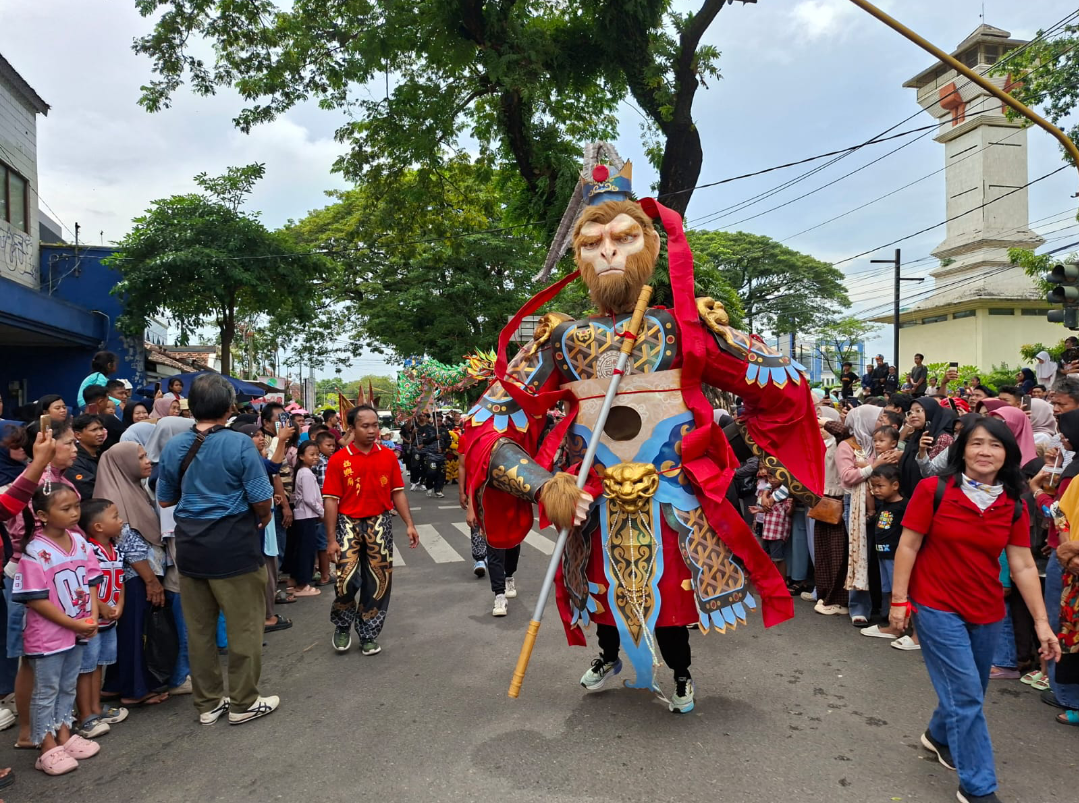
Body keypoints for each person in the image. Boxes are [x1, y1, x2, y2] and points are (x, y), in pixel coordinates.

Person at [461, 175, 826, 713]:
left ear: (651, 246)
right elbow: (483, 428)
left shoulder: (683, 328)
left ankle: (681, 673)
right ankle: (607, 657)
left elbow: (786, 386)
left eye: (624, 236)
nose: (608, 250)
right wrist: (544, 486)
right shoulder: (562, 340)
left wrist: (731, 446)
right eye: (592, 242)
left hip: (672, 500)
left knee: (672, 606)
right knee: (602, 597)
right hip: (594, 502)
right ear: (579, 257)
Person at [889, 417, 1060, 803]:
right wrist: (899, 601)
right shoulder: (934, 490)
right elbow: (908, 546)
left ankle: (938, 736)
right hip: (936, 605)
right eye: (976, 443)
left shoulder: (1013, 503)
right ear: (962, 450)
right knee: (966, 696)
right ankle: (978, 786)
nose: (985, 452)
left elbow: (1023, 565)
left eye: (995, 445)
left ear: (1008, 454)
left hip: (986, 609)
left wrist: (1042, 624)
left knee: (969, 690)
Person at [156, 373, 279, 726]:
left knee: (199, 631)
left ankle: (208, 703)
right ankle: (243, 702)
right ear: (229, 407)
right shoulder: (239, 444)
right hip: (234, 545)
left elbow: (165, 498)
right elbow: (261, 498)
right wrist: (263, 517)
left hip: (190, 547)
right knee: (245, 627)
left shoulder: (175, 446)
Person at [13, 485, 103, 776]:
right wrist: (75, 623)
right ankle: (45, 744)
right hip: (48, 636)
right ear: (42, 515)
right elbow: (36, 600)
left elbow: (91, 580)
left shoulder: (79, 541)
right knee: (46, 690)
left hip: (78, 629)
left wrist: (92, 616)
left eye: (76, 506)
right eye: (66, 509)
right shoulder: (35, 551)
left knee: (67, 684)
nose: (75, 513)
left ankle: (64, 733)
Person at [3, 420, 77, 750]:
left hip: (60, 576)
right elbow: (20, 532)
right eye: (68, 442)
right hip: (32, 579)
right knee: (32, 659)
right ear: (45, 444)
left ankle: (56, 727)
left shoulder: (58, 479)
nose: (74, 448)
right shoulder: (37, 484)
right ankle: (29, 732)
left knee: (58, 656)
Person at [323, 405, 420, 656]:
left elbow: (397, 493)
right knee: (345, 579)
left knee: (379, 581)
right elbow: (331, 501)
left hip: (379, 522)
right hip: (348, 522)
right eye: (365, 426)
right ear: (352, 428)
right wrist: (331, 539)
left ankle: (368, 633)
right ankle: (342, 624)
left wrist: (409, 524)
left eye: (375, 425)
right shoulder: (339, 460)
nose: (372, 430)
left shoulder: (388, 457)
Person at [96, 443, 169, 708]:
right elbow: (130, 547)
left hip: (133, 577)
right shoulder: (115, 499)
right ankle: (135, 690)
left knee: (130, 631)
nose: (147, 461)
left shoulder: (131, 488)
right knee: (135, 633)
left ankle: (115, 684)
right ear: (123, 464)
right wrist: (151, 581)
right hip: (133, 578)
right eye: (140, 458)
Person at [836, 405, 897, 626]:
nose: (881, 422)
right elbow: (847, 476)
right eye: (878, 418)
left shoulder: (881, 443)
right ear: (865, 421)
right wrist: (875, 465)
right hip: (856, 503)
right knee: (860, 553)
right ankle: (859, 607)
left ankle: (886, 607)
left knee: (883, 554)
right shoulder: (847, 446)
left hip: (885, 502)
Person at [74, 499, 126, 738]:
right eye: (115, 517)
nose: (121, 521)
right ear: (98, 527)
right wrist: (101, 606)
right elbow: (84, 584)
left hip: (109, 621)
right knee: (86, 668)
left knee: (98, 665)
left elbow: (121, 580)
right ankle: (85, 715)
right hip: (92, 620)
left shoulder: (117, 549)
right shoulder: (88, 550)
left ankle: (95, 708)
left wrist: (119, 604)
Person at [861, 464, 907, 640]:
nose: (876, 490)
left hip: (896, 557)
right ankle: (892, 623)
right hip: (882, 555)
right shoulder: (883, 505)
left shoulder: (903, 506)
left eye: (880, 486)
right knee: (888, 590)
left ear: (895, 485)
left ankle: (902, 626)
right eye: (873, 486)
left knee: (899, 591)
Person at [289, 442, 323, 598]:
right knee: (306, 551)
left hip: (304, 515)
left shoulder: (303, 472)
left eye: (317, 454)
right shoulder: (306, 473)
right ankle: (303, 584)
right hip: (307, 516)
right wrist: (322, 512)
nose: (315, 457)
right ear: (302, 456)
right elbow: (310, 499)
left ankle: (296, 581)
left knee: (301, 550)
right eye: (312, 454)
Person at [66, 414, 107, 500]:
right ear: (78, 435)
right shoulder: (74, 460)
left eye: (101, 428)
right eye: (94, 430)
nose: (100, 433)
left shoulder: (102, 454)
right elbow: (89, 491)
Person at [82, 386, 126, 451]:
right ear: (100, 402)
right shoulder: (109, 419)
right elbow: (125, 436)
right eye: (107, 400)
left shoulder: (79, 421)